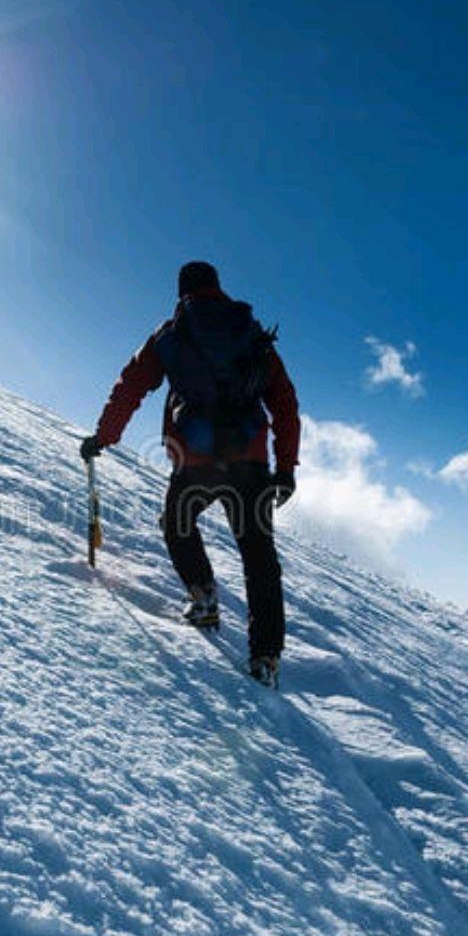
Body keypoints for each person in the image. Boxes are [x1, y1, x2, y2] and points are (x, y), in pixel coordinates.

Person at [80, 261, 300, 687]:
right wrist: (286, 467)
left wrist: (104, 437)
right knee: (259, 557)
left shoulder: (171, 333)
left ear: (182, 291)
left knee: (177, 524)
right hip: (250, 462)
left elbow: (131, 386)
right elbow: (285, 403)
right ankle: (266, 658)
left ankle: (203, 598)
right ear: (217, 286)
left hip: (196, 460)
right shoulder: (251, 333)